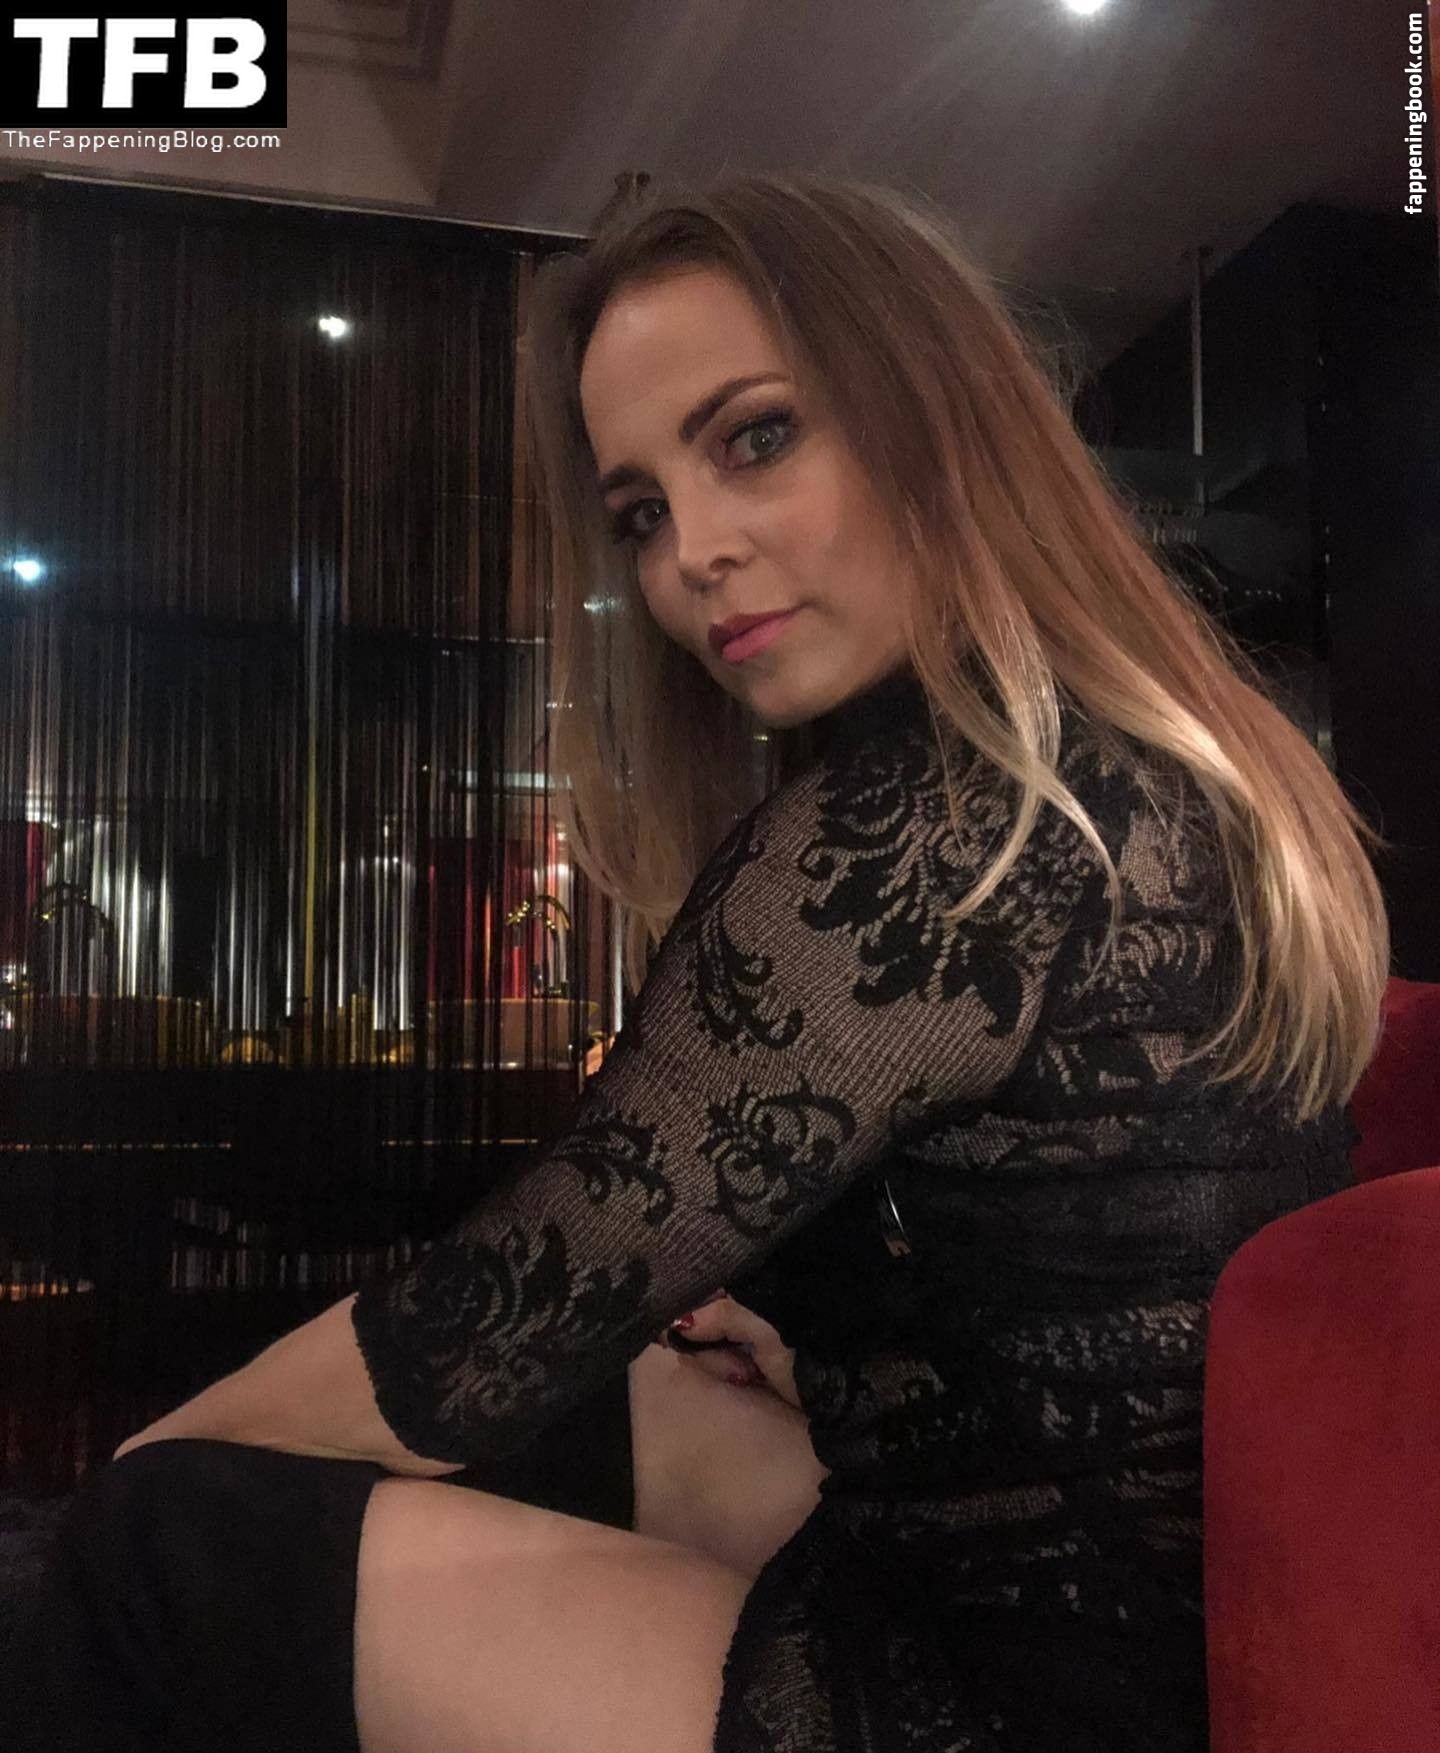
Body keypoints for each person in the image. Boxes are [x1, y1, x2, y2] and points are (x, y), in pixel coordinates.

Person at [11, 171, 1390, 1753]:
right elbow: (1117, 1275)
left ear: (937, 409)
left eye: (756, 436)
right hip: (1167, 1621)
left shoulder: (931, 829)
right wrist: (814, 1345)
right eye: (643, 513)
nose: (694, 557)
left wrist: (129, 1478)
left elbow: (484, 1325)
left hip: (1017, 1693)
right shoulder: (1149, 772)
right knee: (640, 1400)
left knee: (165, 1550)